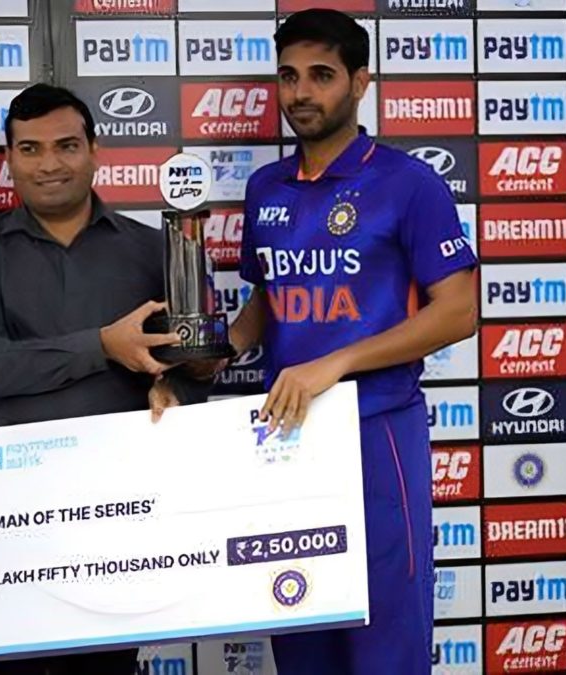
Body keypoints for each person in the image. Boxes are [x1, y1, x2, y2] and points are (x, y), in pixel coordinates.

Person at [193, 9, 479, 674]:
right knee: (300, 630)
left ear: (360, 82)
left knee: (387, 639)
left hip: (377, 430)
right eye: (288, 76)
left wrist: (336, 363)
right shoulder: (265, 187)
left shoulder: (409, 183)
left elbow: (458, 312)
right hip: (285, 438)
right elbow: (268, 298)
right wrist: (212, 354)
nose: (300, 93)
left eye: (321, 75)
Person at [0, 83, 212, 675]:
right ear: (9, 159)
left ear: (95, 150)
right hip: (9, 521)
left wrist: (176, 390)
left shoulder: (155, 248)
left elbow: (188, 368)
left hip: (117, 521)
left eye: (66, 146)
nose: (49, 164)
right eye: (30, 149)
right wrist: (104, 346)